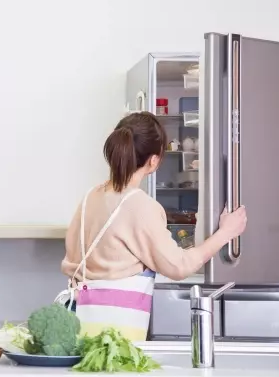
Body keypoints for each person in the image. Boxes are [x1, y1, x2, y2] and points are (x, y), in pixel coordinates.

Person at [58, 112, 247, 340]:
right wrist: (226, 233)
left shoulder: (90, 197)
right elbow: (179, 266)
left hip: (77, 324)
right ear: (153, 161)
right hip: (115, 336)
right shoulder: (140, 206)